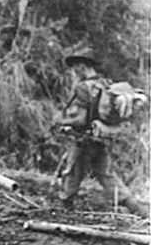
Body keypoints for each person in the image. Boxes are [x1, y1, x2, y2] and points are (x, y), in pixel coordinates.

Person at [54, 48, 147, 217]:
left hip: (84, 139)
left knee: (73, 172)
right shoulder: (106, 83)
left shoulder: (83, 87)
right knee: (106, 175)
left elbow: (81, 119)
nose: (74, 71)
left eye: (76, 67)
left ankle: (65, 208)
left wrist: (61, 121)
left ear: (83, 66)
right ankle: (137, 208)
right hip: (103, 137)